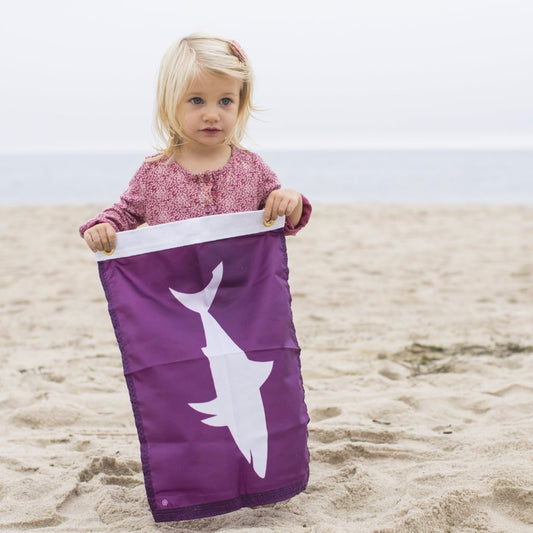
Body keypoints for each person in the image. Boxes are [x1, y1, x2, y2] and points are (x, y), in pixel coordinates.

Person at [79, 33, 311, 251]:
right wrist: (104, 227)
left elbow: (285, 221)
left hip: (240, 288)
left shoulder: (252, 168)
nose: (212, 115)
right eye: (197, 100)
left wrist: (291, 199)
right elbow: (126, 213)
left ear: (240, 104)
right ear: (171, 102)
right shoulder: (155, 173)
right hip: (177, 288)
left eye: (225, 101)